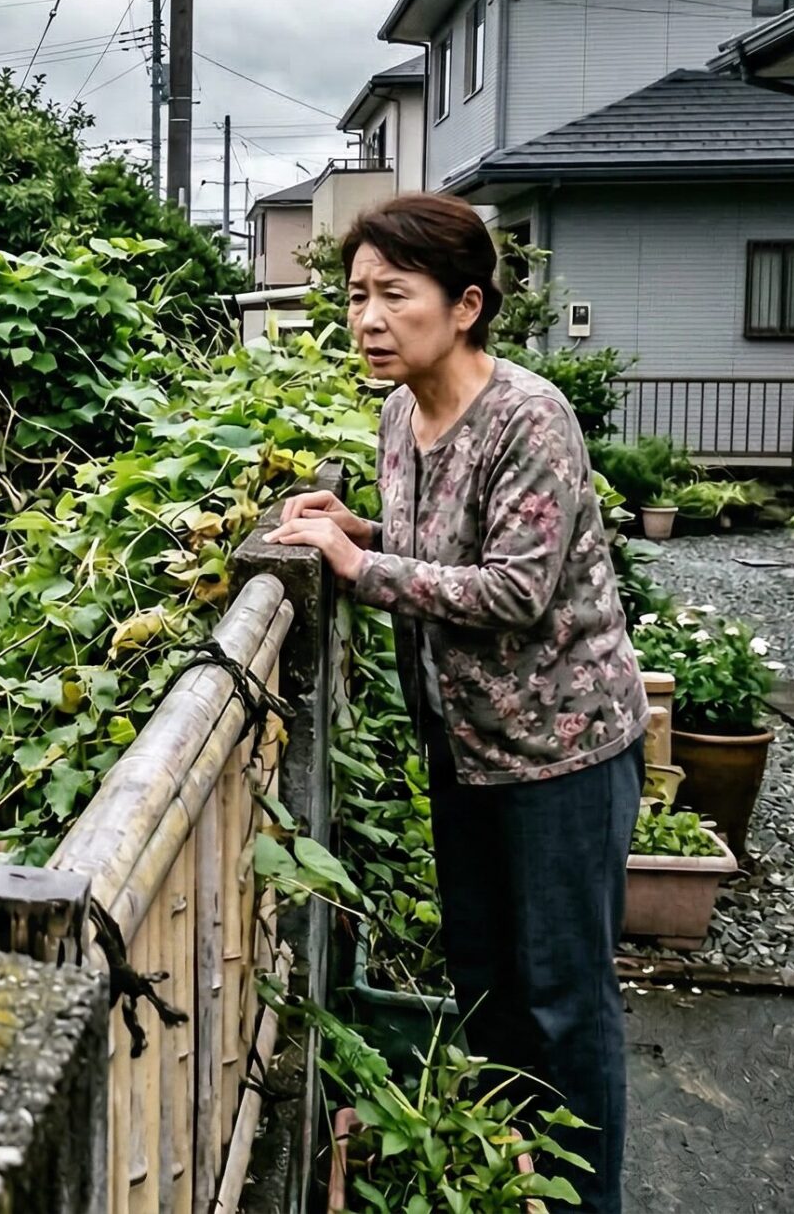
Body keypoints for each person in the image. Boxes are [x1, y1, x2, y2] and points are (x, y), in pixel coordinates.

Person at [264, 192, 644, 1212]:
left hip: (561, 750)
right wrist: (355, 519)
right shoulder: (399, 410)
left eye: (395, 295)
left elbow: (514, 589)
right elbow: (432, 537)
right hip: (468, 743)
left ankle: (583, 1201)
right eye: (355, 296)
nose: (368, 319)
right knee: (482, 979)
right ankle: (509, 1172)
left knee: (563, 1000)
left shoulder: (529, 417)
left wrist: (352, 562)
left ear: (465, 303)